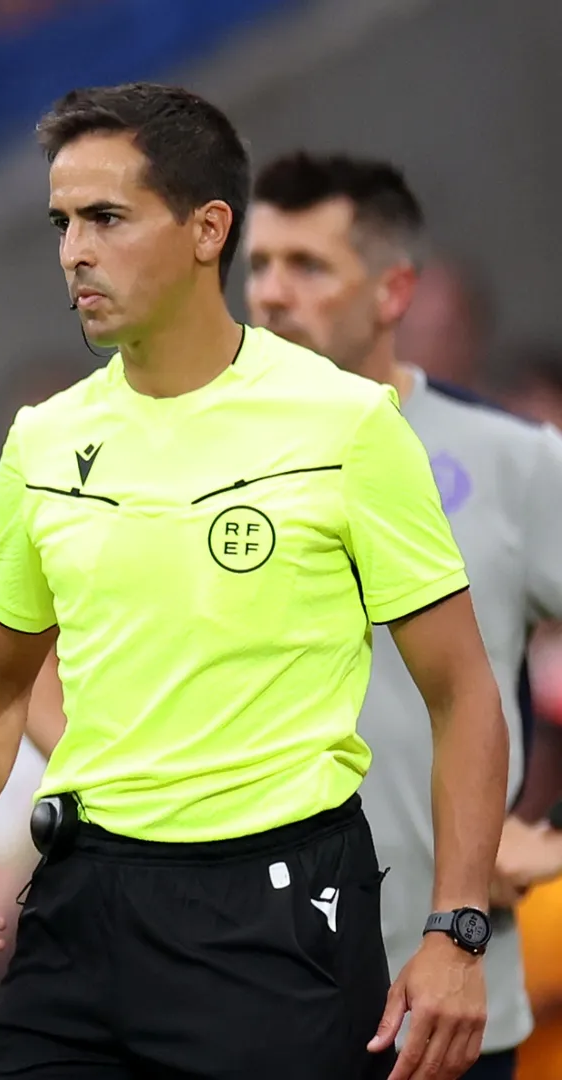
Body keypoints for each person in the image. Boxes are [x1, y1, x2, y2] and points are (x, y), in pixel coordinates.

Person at [0, 82, 509, 1080]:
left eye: (105, 218)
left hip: (276, 912)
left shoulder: (346, 424)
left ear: (207, 230)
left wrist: (456, 929)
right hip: (83, 901)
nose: (74, 252)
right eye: (61, 223)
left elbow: (465, 693)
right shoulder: (45, 441)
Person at [246, 150, 562, 1080]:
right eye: (258, 266)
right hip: (243, 989)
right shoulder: (194, 463)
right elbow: (41, 666)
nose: (270, 294)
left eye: (307, 267)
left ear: (393, 293)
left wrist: (552, 836)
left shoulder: (508, 460)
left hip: (448, 993)